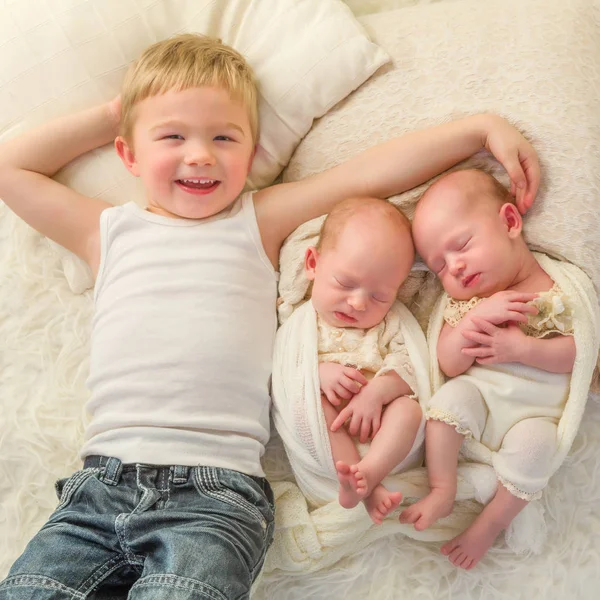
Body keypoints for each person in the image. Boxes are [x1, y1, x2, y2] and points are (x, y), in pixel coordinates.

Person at [0, 30, 539, 598]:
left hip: (215, 495)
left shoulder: (254, 222)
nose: (200, 154)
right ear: (128, 152)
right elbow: (12, 169)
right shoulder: (107, 231)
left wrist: (476, 131)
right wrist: (120, 110)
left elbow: (363, 178)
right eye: (173, 135)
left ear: (253, 154)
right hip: (98, 489)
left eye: (224, 137)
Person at [400, 168, 575, 570]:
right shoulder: (465, 307)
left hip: (534, 416)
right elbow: (447, 360)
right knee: (450, 399)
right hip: (480, 405)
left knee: (538, 448)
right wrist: (474, 323)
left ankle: (492, 522)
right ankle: (442, 488)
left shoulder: (558, 289)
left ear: (510, 222)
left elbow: (579, 354)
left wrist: (524, 348)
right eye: (439, 267)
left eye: (461, 246)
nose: (455, 268)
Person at [304, 197, 423, 524]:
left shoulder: (389, 325)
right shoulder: (301, 324)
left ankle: (370, 473)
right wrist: (316, 374)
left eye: (379, 296)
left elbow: (414, 370)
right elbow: (282, 373)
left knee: (409, 410)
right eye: (344, 283)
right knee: (318, 404)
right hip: (331, 425)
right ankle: (362, 486)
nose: (357, 303)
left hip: (381, 424)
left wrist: (376, 394)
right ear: (313, 263)